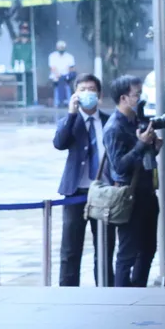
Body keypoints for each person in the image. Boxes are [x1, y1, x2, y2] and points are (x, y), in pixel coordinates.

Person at [51, 74, 115, 286]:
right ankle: (68, 292)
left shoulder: (109, 121)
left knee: (105, 247)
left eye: (91, 89)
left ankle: (105, 290)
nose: (88, 93)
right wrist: (71, 114)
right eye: (83, 89)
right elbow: (59, 143)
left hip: (103, 192)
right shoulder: (70, 121)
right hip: (75, 192)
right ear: (75, 94)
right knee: (70, 249)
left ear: (99, 94)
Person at [104, 75, 161, 288]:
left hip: (147, 192)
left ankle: (138, 289)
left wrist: (152, 147)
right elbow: (118, 166)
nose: (140, 97)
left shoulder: (137, 120)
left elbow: (142, 157)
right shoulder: (114, 127)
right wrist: (140, 144)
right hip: (129, 196)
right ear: (123, 98)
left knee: (148, 248)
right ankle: (123, 296)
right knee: (127, 252)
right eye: (136, 94)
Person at [11, 21, 35, 106]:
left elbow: (33, 56)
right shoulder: (17, 43)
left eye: (26, 29)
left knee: (29, 86)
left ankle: (29, 102)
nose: (24, 30)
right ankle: (20, 102)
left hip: (29, 68)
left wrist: (32, 66)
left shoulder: (31, 43)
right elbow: (13, 56)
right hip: (19, 69)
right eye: (23, 28)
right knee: (20, 86)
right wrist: (13, 66)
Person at [49, 41, 76, 108]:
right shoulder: (52, 56)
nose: (61, 49)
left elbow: (71, 68)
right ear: (57, 47)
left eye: (62, 47)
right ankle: (60, 101)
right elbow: (52, 68)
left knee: (64, 78)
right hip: (56, 76)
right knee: (61, 80)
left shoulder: (69, 56)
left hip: (66, 75)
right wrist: (59, 75)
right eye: (59, 47)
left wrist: (64, 75)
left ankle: (62, 101)